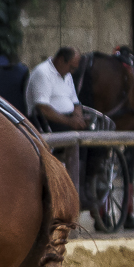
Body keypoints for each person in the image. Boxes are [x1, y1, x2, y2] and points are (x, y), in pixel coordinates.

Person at [26, 46, 86, 188]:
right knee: (79, 140)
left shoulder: (67, 75)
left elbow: (75, 101)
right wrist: (70, 122)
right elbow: (43, 108)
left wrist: (78, 116)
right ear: (60, 60)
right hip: (46, 121)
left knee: (95, 137)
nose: (72, 72)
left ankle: (88, 181)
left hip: (67, 118)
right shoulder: (43, 72)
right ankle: (74, 185)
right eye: (71, 67)